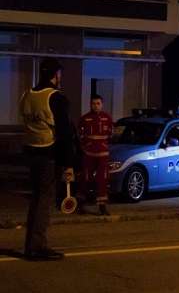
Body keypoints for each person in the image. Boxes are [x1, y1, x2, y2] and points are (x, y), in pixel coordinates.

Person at [19, 57, 74, 261]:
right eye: (59, 74)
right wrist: (68, 164)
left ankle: (31, 244)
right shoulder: (56, 97)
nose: (60, 78)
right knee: (44, 200)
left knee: (36, 198)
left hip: (31, 151)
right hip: (48, 153)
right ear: (55, 75)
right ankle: (37, 247)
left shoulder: (27, 95)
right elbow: (65, 133)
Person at [77, 94, 113, 215]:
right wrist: (85, 147)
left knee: (102, 179)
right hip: (89, 154)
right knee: (85, 178)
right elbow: (80, 136)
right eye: (93, 103)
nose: (96, 106)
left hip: (103, 155)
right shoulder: (85, 118)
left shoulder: (107, 118)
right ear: (90, 105)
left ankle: (102, 206)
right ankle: (81, 204)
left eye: (98, 103)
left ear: (102, 104)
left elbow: (110, 135)